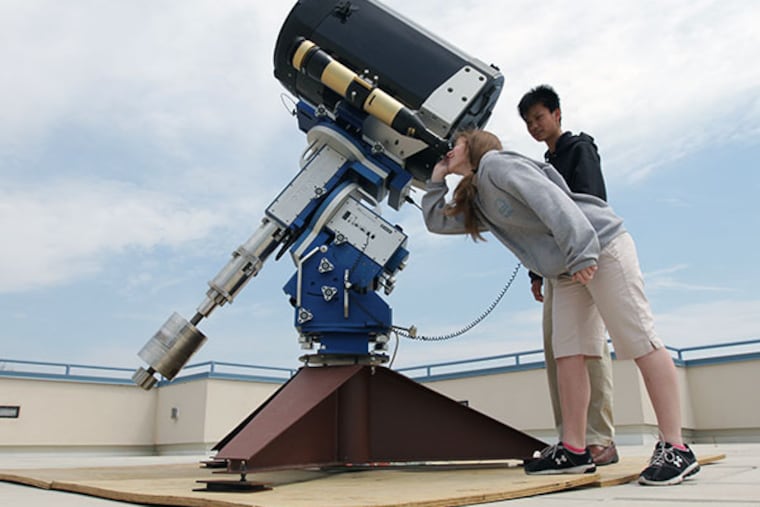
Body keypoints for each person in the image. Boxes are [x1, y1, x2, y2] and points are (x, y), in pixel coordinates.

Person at [421, 129, 700, 485]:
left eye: (456, 143)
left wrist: (582, 250)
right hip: (567, 269)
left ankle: (676, 447)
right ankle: (574, 448)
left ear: (474, 145)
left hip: (599, 247)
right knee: (568, 354)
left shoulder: (497, 164)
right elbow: (437, 222)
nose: (449, 149)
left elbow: (551, 200)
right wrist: (436, 180)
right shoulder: (477, 196)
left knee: (639, 340)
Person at [517, 84, 617, 466]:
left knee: (589, 351)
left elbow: (591, 206)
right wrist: (534, 273)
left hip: (584, 262)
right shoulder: (543, 166)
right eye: (528, 122)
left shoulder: (580, 150)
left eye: (539, 117)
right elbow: (540, 221)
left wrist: (581, 258)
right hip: (554, 267)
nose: (534, 126)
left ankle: (600, 439)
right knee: (558, 353)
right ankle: (570, 438)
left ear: (558, 114)